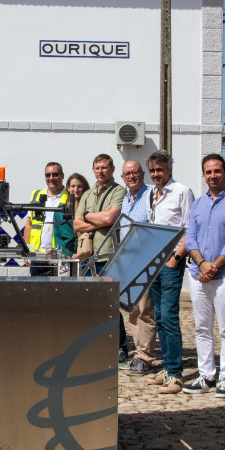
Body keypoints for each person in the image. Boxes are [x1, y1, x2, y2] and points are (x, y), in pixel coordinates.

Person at [183, 154, 225, 398]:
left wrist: (213, 267)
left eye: (217, 171)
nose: (213, 176)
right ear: (204, 174)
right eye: (208, 172)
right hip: (197, 274)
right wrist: (201, 264)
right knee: (202, 327)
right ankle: (206, 375)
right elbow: (191, 239)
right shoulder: (198, 204)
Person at [142, 150, 195, 393]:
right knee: (159, 317)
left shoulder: (182, 191)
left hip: (171, 261)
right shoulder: (151, 194)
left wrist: (177, 256)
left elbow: (189, 227)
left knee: (170, 316)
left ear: (169, 170)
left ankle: (175, 373)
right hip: (154, 261)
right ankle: (166, 366)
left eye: (160, 170)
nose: (156, 175)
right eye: (153, 171)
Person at [73, 154, 126, 362]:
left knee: (111, 304)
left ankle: (120, 347)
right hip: (88, 255)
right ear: (93, 169)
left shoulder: (118, 191)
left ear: (112, 169)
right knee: (90, 303)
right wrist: (95, 220)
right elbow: (76, 224)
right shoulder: (87, 194)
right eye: (97, 168)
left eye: (104, 167)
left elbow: (110, 218)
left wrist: (86, 217)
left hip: (108, 254)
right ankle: (95, 345)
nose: (100, 171)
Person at [117, 160, 155, 376]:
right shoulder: (125, 199)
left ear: (142, 174)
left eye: (135, 172)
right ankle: (140, 354)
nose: (131, 176)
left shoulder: (150, 195)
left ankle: (145, 358)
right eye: (127, 174)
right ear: (123, 178)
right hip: (127, 260)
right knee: (132, 310)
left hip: (144, 259)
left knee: (143, 311)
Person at [22, 162, 68, 277]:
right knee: (37, 292)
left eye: (55, 174)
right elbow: (29, 224)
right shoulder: (37, 195)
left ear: (62, 175)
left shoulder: (70, 196)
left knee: (62, 292)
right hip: (38, 256)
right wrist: (27, 250)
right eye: (48, 175)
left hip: (61, 255)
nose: (51, 178)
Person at [52, 173, 89, 258]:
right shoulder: (59, 211)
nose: (76, 189)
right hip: (66, 257)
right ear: (68, 188)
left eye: (79, 186)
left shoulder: (90, 209)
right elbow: (57, 238)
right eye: (73, 186)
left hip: (86, 254)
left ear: (84, 189)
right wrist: (70, 254)